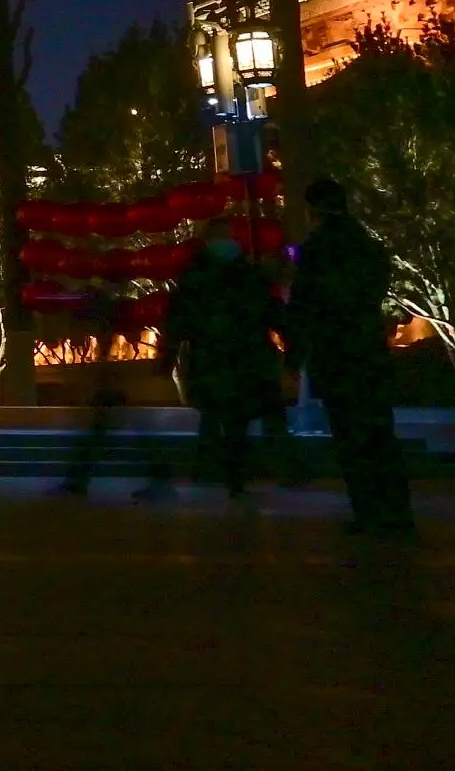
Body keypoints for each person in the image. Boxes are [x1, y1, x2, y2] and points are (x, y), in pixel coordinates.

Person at [286, 177, 416, 537]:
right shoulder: (368, 247)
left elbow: (303, 307)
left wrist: (293, 358)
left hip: (336, 354)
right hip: (368, 352)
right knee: (379, 434)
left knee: (350, 438)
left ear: (312, 209)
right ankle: (397, 512)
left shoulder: (317, 251)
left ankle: (369, 512)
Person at [162, 217, 283, 496]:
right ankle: (234, 474)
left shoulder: (196, 276)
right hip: (240, 358)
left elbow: (178, 318)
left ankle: (218, 471)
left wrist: (169, 352)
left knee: (217, 416)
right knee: (231, 419)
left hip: (215, 359)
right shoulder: (246, 273)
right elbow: (271, 309)